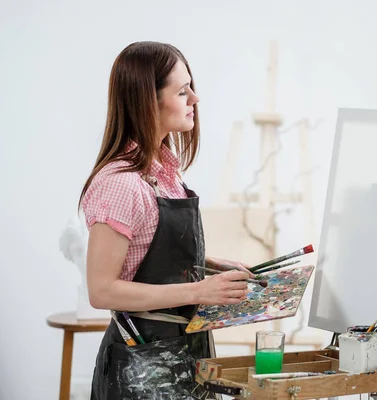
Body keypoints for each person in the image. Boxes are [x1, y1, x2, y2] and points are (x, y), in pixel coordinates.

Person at [79, 41, 252, 399]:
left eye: (192, 86)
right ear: (148, 100)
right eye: (181, 90)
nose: (195, 99)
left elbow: (144, 254)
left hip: (188, 355)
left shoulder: (166, 171)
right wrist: (198, 290)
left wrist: (207, 265)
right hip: (142, 370)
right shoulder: (121, 184)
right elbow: (102, 289)